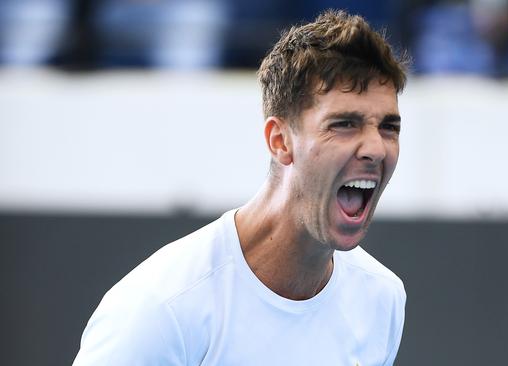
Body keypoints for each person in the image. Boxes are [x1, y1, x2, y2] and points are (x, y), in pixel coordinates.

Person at [73, 9, 408, 366]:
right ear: (280, 141)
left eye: (389, 127)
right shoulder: (159, 309)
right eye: (344, 124)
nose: (375, 148)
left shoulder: (381, 300)